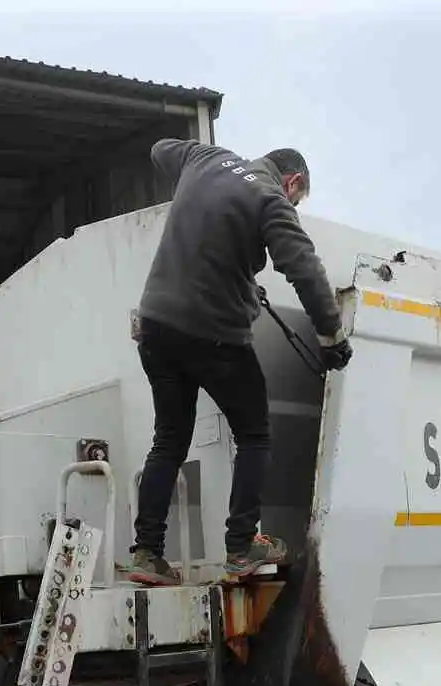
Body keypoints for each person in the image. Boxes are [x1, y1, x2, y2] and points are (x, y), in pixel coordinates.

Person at [125, 139, 352, 586]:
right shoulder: (270, 201)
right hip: (213, 334)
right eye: (299, 200)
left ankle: (146, 554)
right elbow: (305, 270)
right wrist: (330, 337)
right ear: (294, 182)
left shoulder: (204, 158)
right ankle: (240, 546)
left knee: (169, 439)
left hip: (155, 326)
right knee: (254, 433)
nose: (295, 205)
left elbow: (157, 149)